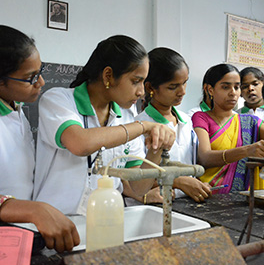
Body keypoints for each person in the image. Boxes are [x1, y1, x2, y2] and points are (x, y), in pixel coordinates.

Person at [33, 35, 175, 214]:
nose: (141, 92)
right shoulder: (58, 100)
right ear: (108, 75)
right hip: (57, 223)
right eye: (135, 81)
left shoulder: (126, 115)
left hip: (106, 222)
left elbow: (138, 187)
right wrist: (144, 126)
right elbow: (80, 144)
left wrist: (157, 146)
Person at [0, 25, 80, 252]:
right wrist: (33, 209)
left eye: (40, 71)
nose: (41, 82)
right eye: (30, 77)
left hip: (14, 236)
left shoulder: (16, 110)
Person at [192, 63, 264, 193]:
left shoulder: (249, 121)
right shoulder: (201, 118)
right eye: (225, 87)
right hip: (209, 192)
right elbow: (204, 157)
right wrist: (246, 151)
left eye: (237, 87)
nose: (233, 93)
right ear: (210, 90)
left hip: (242, 197)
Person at [133, 47, 211, 204]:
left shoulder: (187, 121)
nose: (182, 91)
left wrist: (197, 184)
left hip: (187, 203)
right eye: (173, 87)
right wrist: (178, 181)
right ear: (150, 88)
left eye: (184, 83)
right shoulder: (139, 126)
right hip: (155, 206)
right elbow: (134, 178)